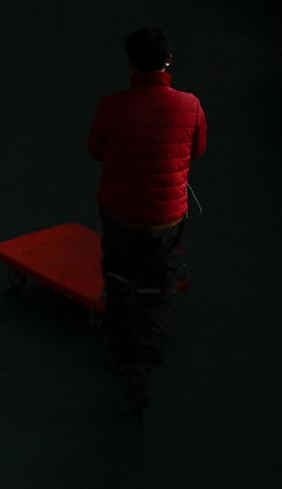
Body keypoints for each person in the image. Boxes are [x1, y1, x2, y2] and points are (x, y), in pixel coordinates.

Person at [88, 27, 207, 412]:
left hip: (120, 215)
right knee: (157, 293)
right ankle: (144, 363)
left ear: (130, 63)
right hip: (166, 220)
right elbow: (198, 148)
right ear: (168, 60)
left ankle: (118, 355)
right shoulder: (190, 105)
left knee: (120, 281)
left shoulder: (111, 105)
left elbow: (96, 150)